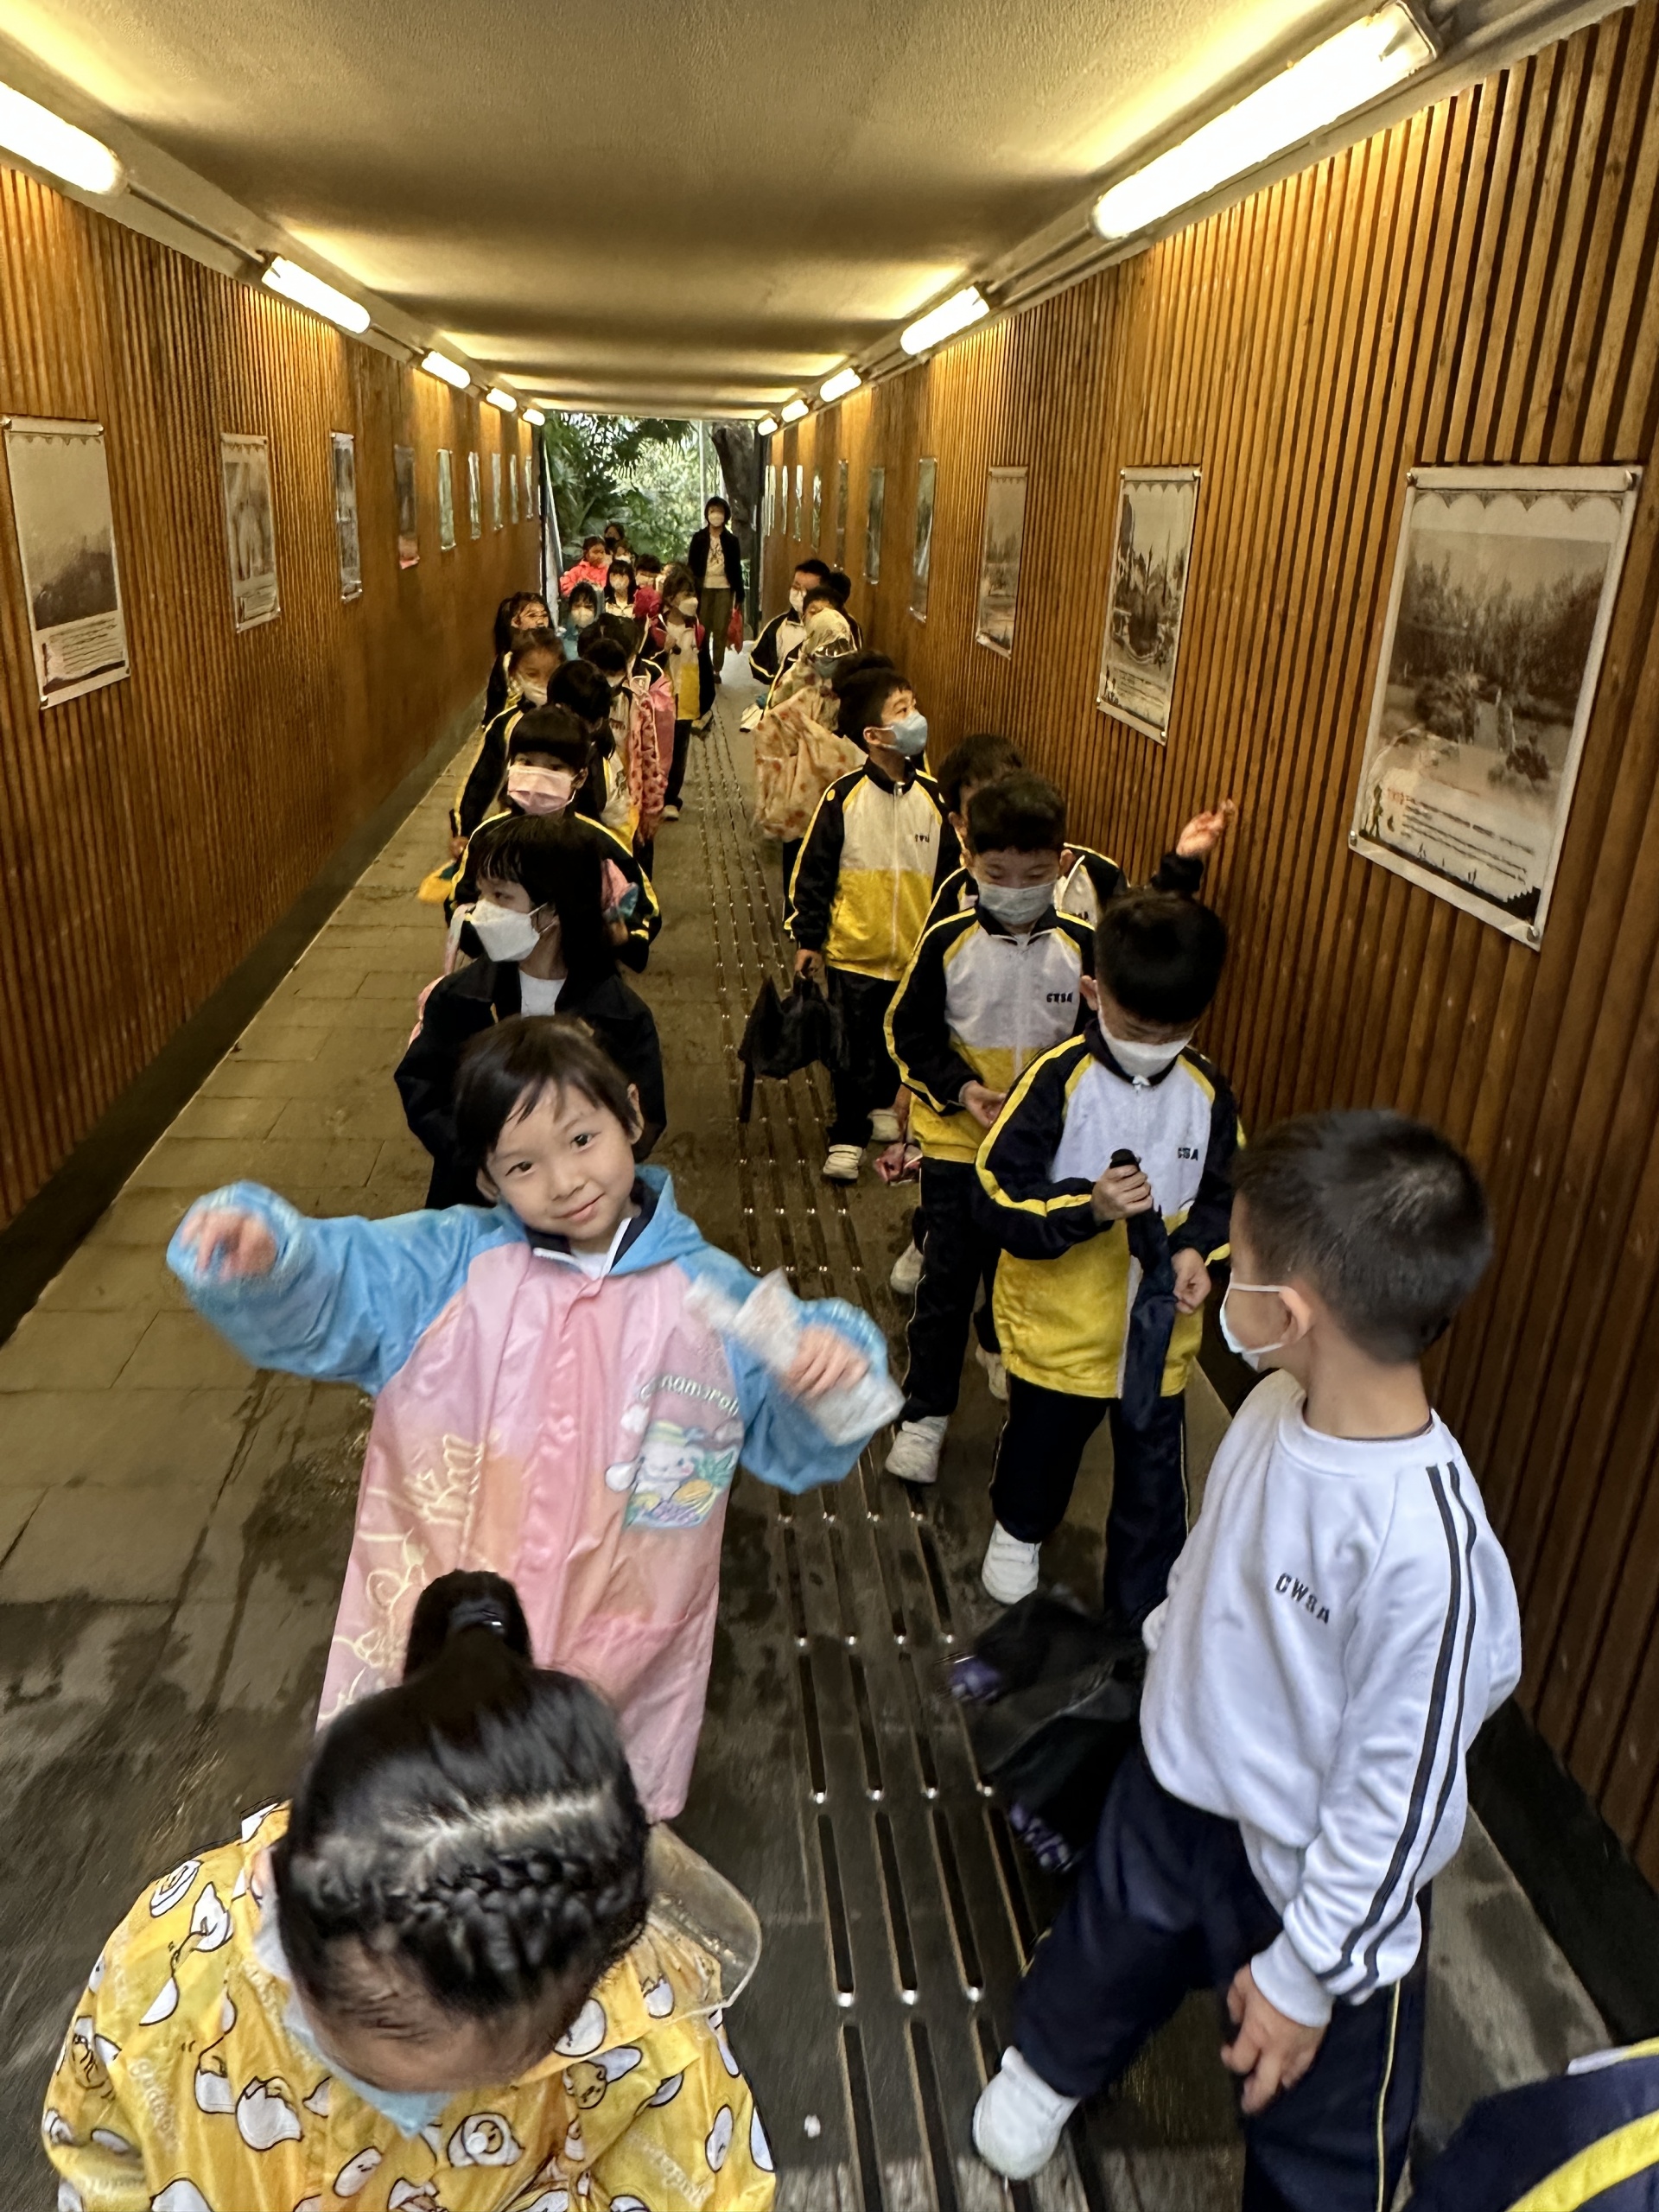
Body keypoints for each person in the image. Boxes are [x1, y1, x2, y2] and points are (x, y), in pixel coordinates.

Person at [973, 1109, 1522, 2212]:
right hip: (1177, 1782)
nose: (1223, 1273)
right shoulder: (1278, 1404)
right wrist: (1160, 1665)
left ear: (1293, 1311)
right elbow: (1212, 1567)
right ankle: (1052, 2062)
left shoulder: (1425, 1551)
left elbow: (1402, 1802)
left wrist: (1307, 1970)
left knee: (1319, 2120)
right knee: (1105, 1945)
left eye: (1240, 1259)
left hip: (1314, 1879)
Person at [168, 1019, 891, 1821]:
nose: (564, 1180)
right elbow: (339, 1288)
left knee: (582, 1819)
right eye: (523, 1164)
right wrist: (272, 1261)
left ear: (632, 1114)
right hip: (449, 1635)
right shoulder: (446, 1269)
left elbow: (800, 1437)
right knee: (426, 1814)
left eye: (583, 1138)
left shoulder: (712, 1301)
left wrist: (830, 1374)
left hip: (617, 1650)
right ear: (487, 1179)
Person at [44, 1568, 779, 2210]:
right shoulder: (179, 1968)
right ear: (291, 1928)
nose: (414, 2110)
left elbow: (705, 2191)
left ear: (583, 1991)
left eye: (476, 2083)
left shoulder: (640, 2037)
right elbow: (100, 2145)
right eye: (360, 2066)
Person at [974, 887, 1238, 1612]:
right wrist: (1085, 1208)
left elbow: (1225, 1197)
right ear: (1093, 993)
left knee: (1154, 1479)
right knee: (1041, 1447)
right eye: (1135, 1027)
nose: (1152, 1045)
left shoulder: (1208, 1093)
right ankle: (1020, 1529)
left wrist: (1199, 1253)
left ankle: (1143, 1603)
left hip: (1159, 1339)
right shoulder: (1057, 1080)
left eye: (1173, 1031)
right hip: (1061, 1331)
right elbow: (994, 1194)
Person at [883, 775, 1094, 1485]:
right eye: (997, 873)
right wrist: (961, 1089)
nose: (1016, 889)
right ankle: (925, 1414)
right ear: (969, 861)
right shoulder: (948, 940)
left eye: (1034, 875)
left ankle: (1000, 1348)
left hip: (1039, 1158)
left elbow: (1099, 1051)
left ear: (1061, 863)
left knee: (1023, 1272)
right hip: (956, 1146)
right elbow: (908, 1032)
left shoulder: (1085, 950)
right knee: (947, 1282)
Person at [399, 811, 668, 1204]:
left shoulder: (619, 1016)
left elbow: (643, 1116)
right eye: (482, 894)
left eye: (501, 897)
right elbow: (423, 1087)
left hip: (576, 1206)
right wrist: (475, 1159)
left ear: (552, 910)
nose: (482, 911)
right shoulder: (461, 998)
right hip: (473, 1202)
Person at [788, 665, 957, 1183]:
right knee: (851, 1048)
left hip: (913, 955)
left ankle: (889, 1109)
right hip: (854, 951)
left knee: (898, 1043)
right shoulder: (843, 798)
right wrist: (809, 937)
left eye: (914, 706)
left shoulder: (936, 800)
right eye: (902, 711)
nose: (915, 718)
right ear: (874, 736)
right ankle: (846, 1135)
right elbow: (814, 873)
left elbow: (951, 881)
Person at [454, 703, 662, 973]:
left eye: (555, 767)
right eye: (526, 762)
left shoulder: (597, 843)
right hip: (502, 974)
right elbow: (460, 900)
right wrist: (483, 929)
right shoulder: (487, 836)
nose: (538, 776)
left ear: (580, 777)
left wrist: (620, 937)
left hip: (578, 976)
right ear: (510, 765)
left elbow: (645, 910)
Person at [451, 627, 564, 849]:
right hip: (515, 831)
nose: (542, 682)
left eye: (551, 674)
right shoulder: (504, 725)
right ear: (514, 674)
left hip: (565, 831)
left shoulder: (574, 720)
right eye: (532, 674)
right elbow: (480, 781)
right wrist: (465, 831)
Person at [662, 563, 716, 820]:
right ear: (671, 598)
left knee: (679, 750)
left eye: (693, 593)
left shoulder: (697, 630)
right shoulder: (656, 626)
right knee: (660, 748)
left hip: (687, 697)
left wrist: (706, 702)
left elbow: (705, 665)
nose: (691, 600)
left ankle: (671, 798)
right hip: (661, 699)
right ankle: (657, 792)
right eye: (685, 594)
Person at [750, 556, 830, 685]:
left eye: (808, 590)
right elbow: (757, 659)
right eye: (796, 587)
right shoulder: (777, 626)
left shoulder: (835, 628)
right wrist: (778, 681)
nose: (800, 594)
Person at [688, 495, 745, 678]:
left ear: (725, 515)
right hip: (703, 588)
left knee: (720, 629)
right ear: (707, 514)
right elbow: (691, 565)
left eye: (719, 511)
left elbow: (736, 568)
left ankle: (717, 669)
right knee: (702, 628)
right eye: (713, 511)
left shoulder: (731, 541)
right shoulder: (698, 538)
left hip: (724, 589)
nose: (716, 515)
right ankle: (703, 665)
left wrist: (740, 594)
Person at [485, 590, 553, 722]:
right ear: (515, 622)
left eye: (544, 616)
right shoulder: (509, 661)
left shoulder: (554, 653)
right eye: (532, 616)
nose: (541, 622)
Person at [561, 576, 602, 658]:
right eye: (577, 606)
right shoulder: (561, 642)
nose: (582, 611)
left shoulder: (602, 640)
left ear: (596, 610)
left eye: (588, 607)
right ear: (570, 608)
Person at [560, 535, 610, 599]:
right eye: (596, 552)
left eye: (602, 552)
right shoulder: (576, 571)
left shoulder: (608, 571)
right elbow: (566, 589)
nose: (600, 556)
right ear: (585, 553)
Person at [604, 555, 638, 620]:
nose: (617, 579)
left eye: (622, 575)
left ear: (630, 578)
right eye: (614, 575)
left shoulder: (637, 600)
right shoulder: (604, 599)